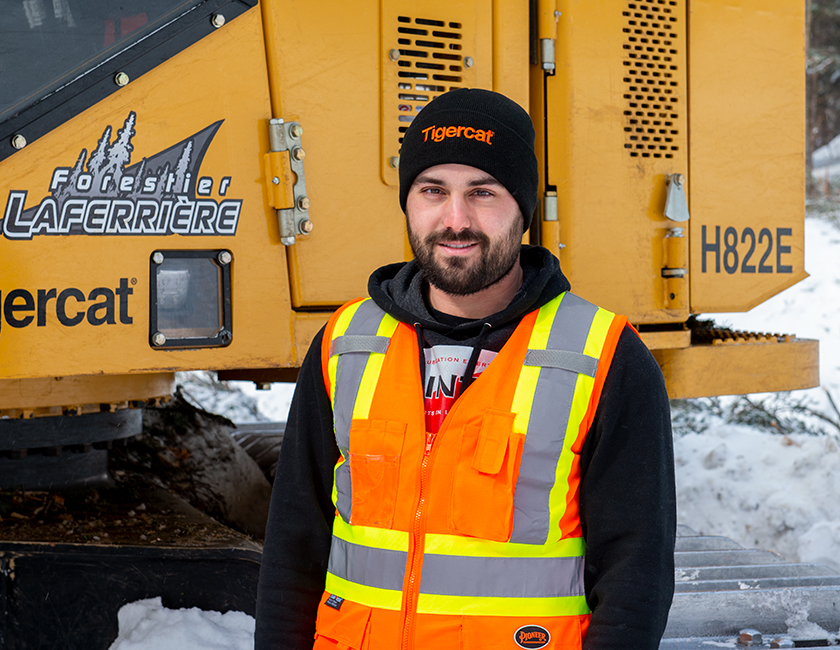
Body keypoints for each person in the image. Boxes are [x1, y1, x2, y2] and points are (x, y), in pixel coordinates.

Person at [255, 88, 676, 650]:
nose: (455, 220)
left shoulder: (605, 357)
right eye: (433, 191)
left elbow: (635, 575)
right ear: (408, 202)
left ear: (522, 209)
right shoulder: (344, 344)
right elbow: (294, 546)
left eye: (483, 192)